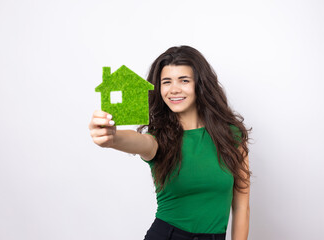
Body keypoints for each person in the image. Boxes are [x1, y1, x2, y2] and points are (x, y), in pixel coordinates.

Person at [89, 45, 251, 240]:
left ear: (200, 84)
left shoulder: (231, 136)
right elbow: (142, 143)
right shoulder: (160, 138)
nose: (174, 89)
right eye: (166, 82)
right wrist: (112, 137)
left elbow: (241, 205)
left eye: (184, 80)